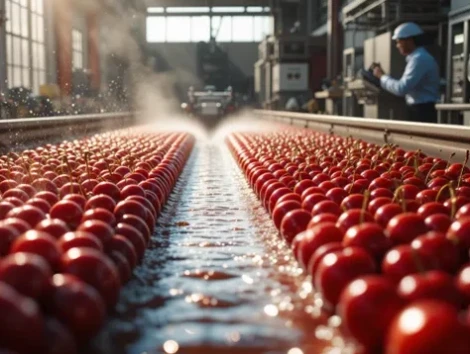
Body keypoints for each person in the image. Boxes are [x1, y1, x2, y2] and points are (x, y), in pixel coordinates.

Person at [373, 22, 440, 123]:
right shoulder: (418, 58)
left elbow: (402, 88)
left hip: (422, 111)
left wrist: (382, 77)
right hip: (420, 109)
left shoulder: (419, 59)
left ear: (409, 40)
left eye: (399, 41)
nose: (397, 45)